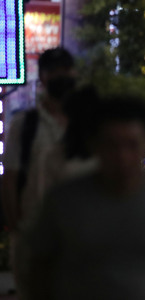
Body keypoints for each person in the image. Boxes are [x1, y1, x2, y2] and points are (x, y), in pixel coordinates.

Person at [25, 96, 145, 300]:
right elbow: (40, 263)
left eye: (132, 145)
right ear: (94, 145)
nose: (122, 156)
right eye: (111, 145)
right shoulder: (64, 200)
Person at [1, 47, 76, 297]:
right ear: (42, 77)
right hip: (33, 236)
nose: (61, 77)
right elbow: (9, 180)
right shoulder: (24, 125)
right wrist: (18, 230)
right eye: (54, 72)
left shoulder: (86, 124)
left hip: (78, 238)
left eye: (66, 70)